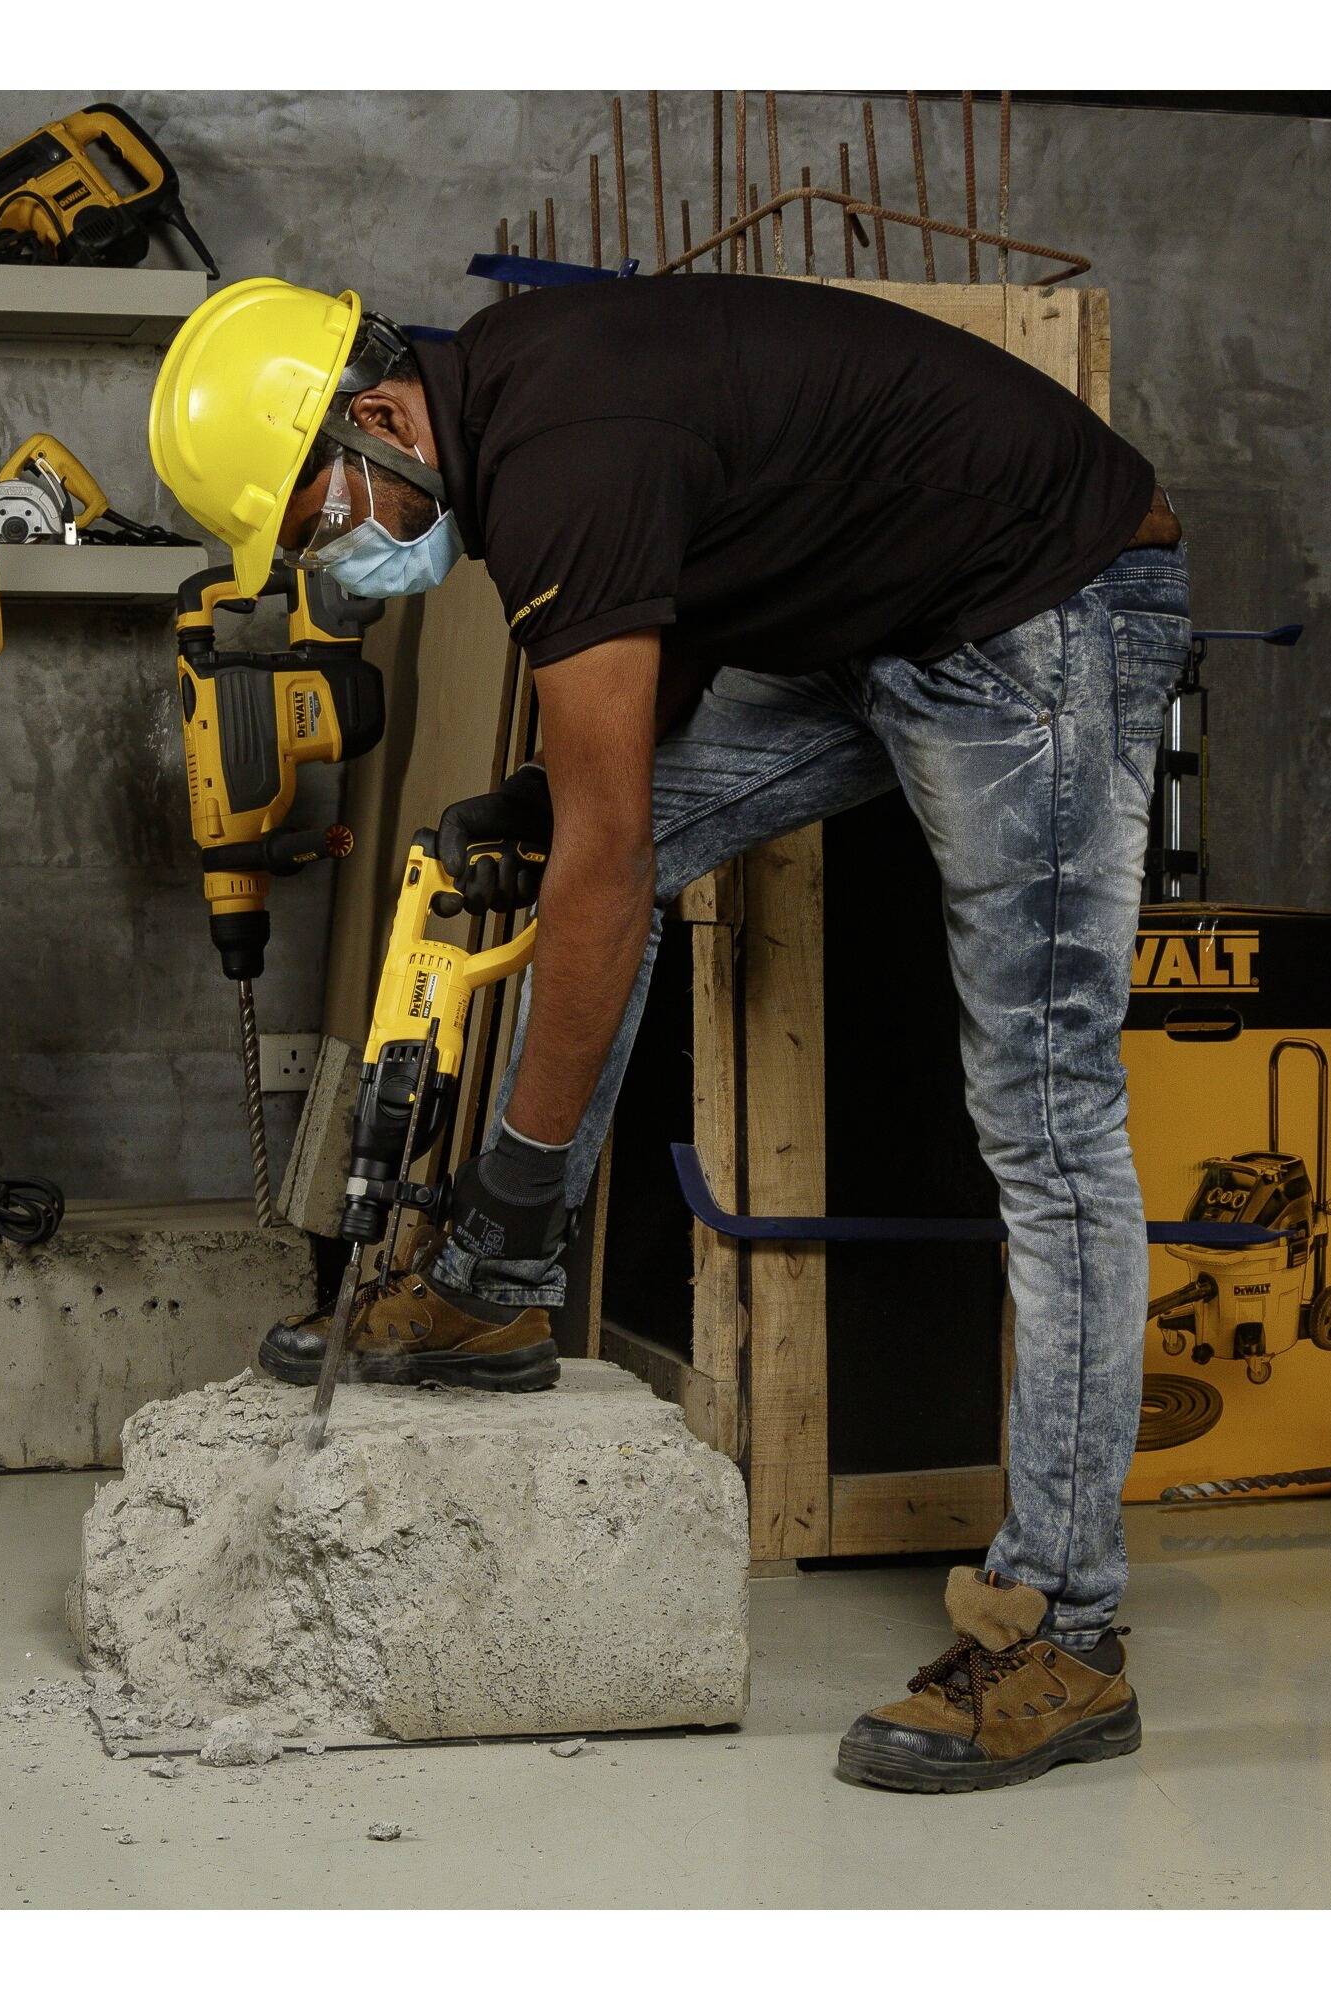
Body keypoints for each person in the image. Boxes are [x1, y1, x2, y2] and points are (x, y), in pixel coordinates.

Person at [148, 273, 1187, 1793]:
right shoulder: (510, 420)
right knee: (559, 845)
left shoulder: (565, 447)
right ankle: (498, 1296)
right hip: (882, 612)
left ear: (377, 420)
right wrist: (562, 817)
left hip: (1042, 607)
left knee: (1042, 1108)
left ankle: (1066, 1633)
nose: (340, 564)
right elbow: (681, 612)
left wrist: (517, 1140)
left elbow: (611, 868)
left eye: (321, 523)